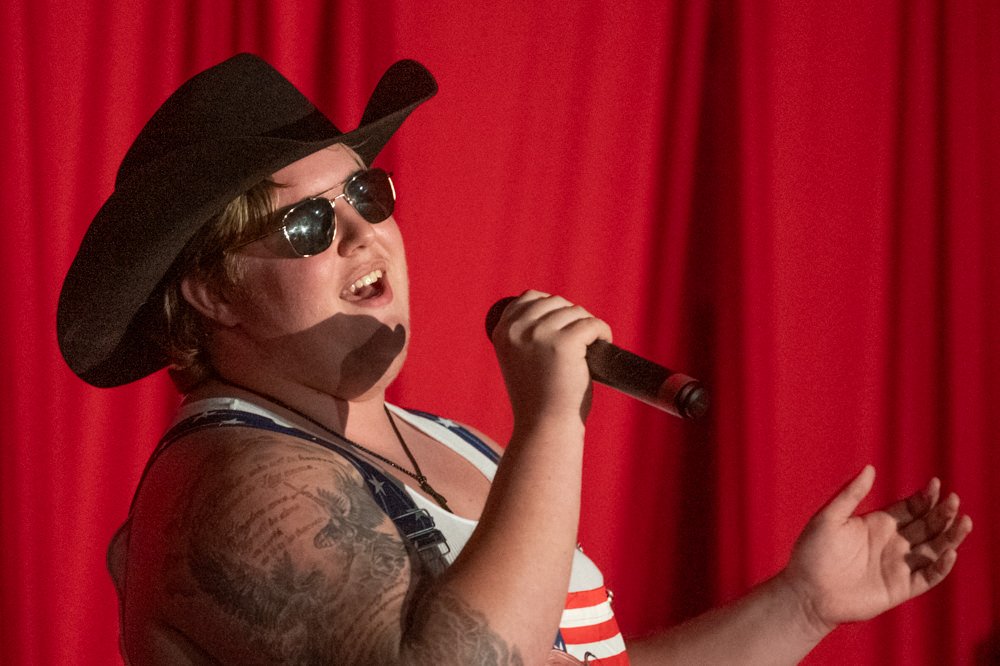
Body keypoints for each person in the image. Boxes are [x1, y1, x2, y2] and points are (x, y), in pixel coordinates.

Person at [58, 53, 972, 666]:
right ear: (210, 292)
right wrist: (547, 425)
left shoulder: (441, 442)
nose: (361, 235)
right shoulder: (233, 479)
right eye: (304, 222)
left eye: (366, 195)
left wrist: (800, 605)